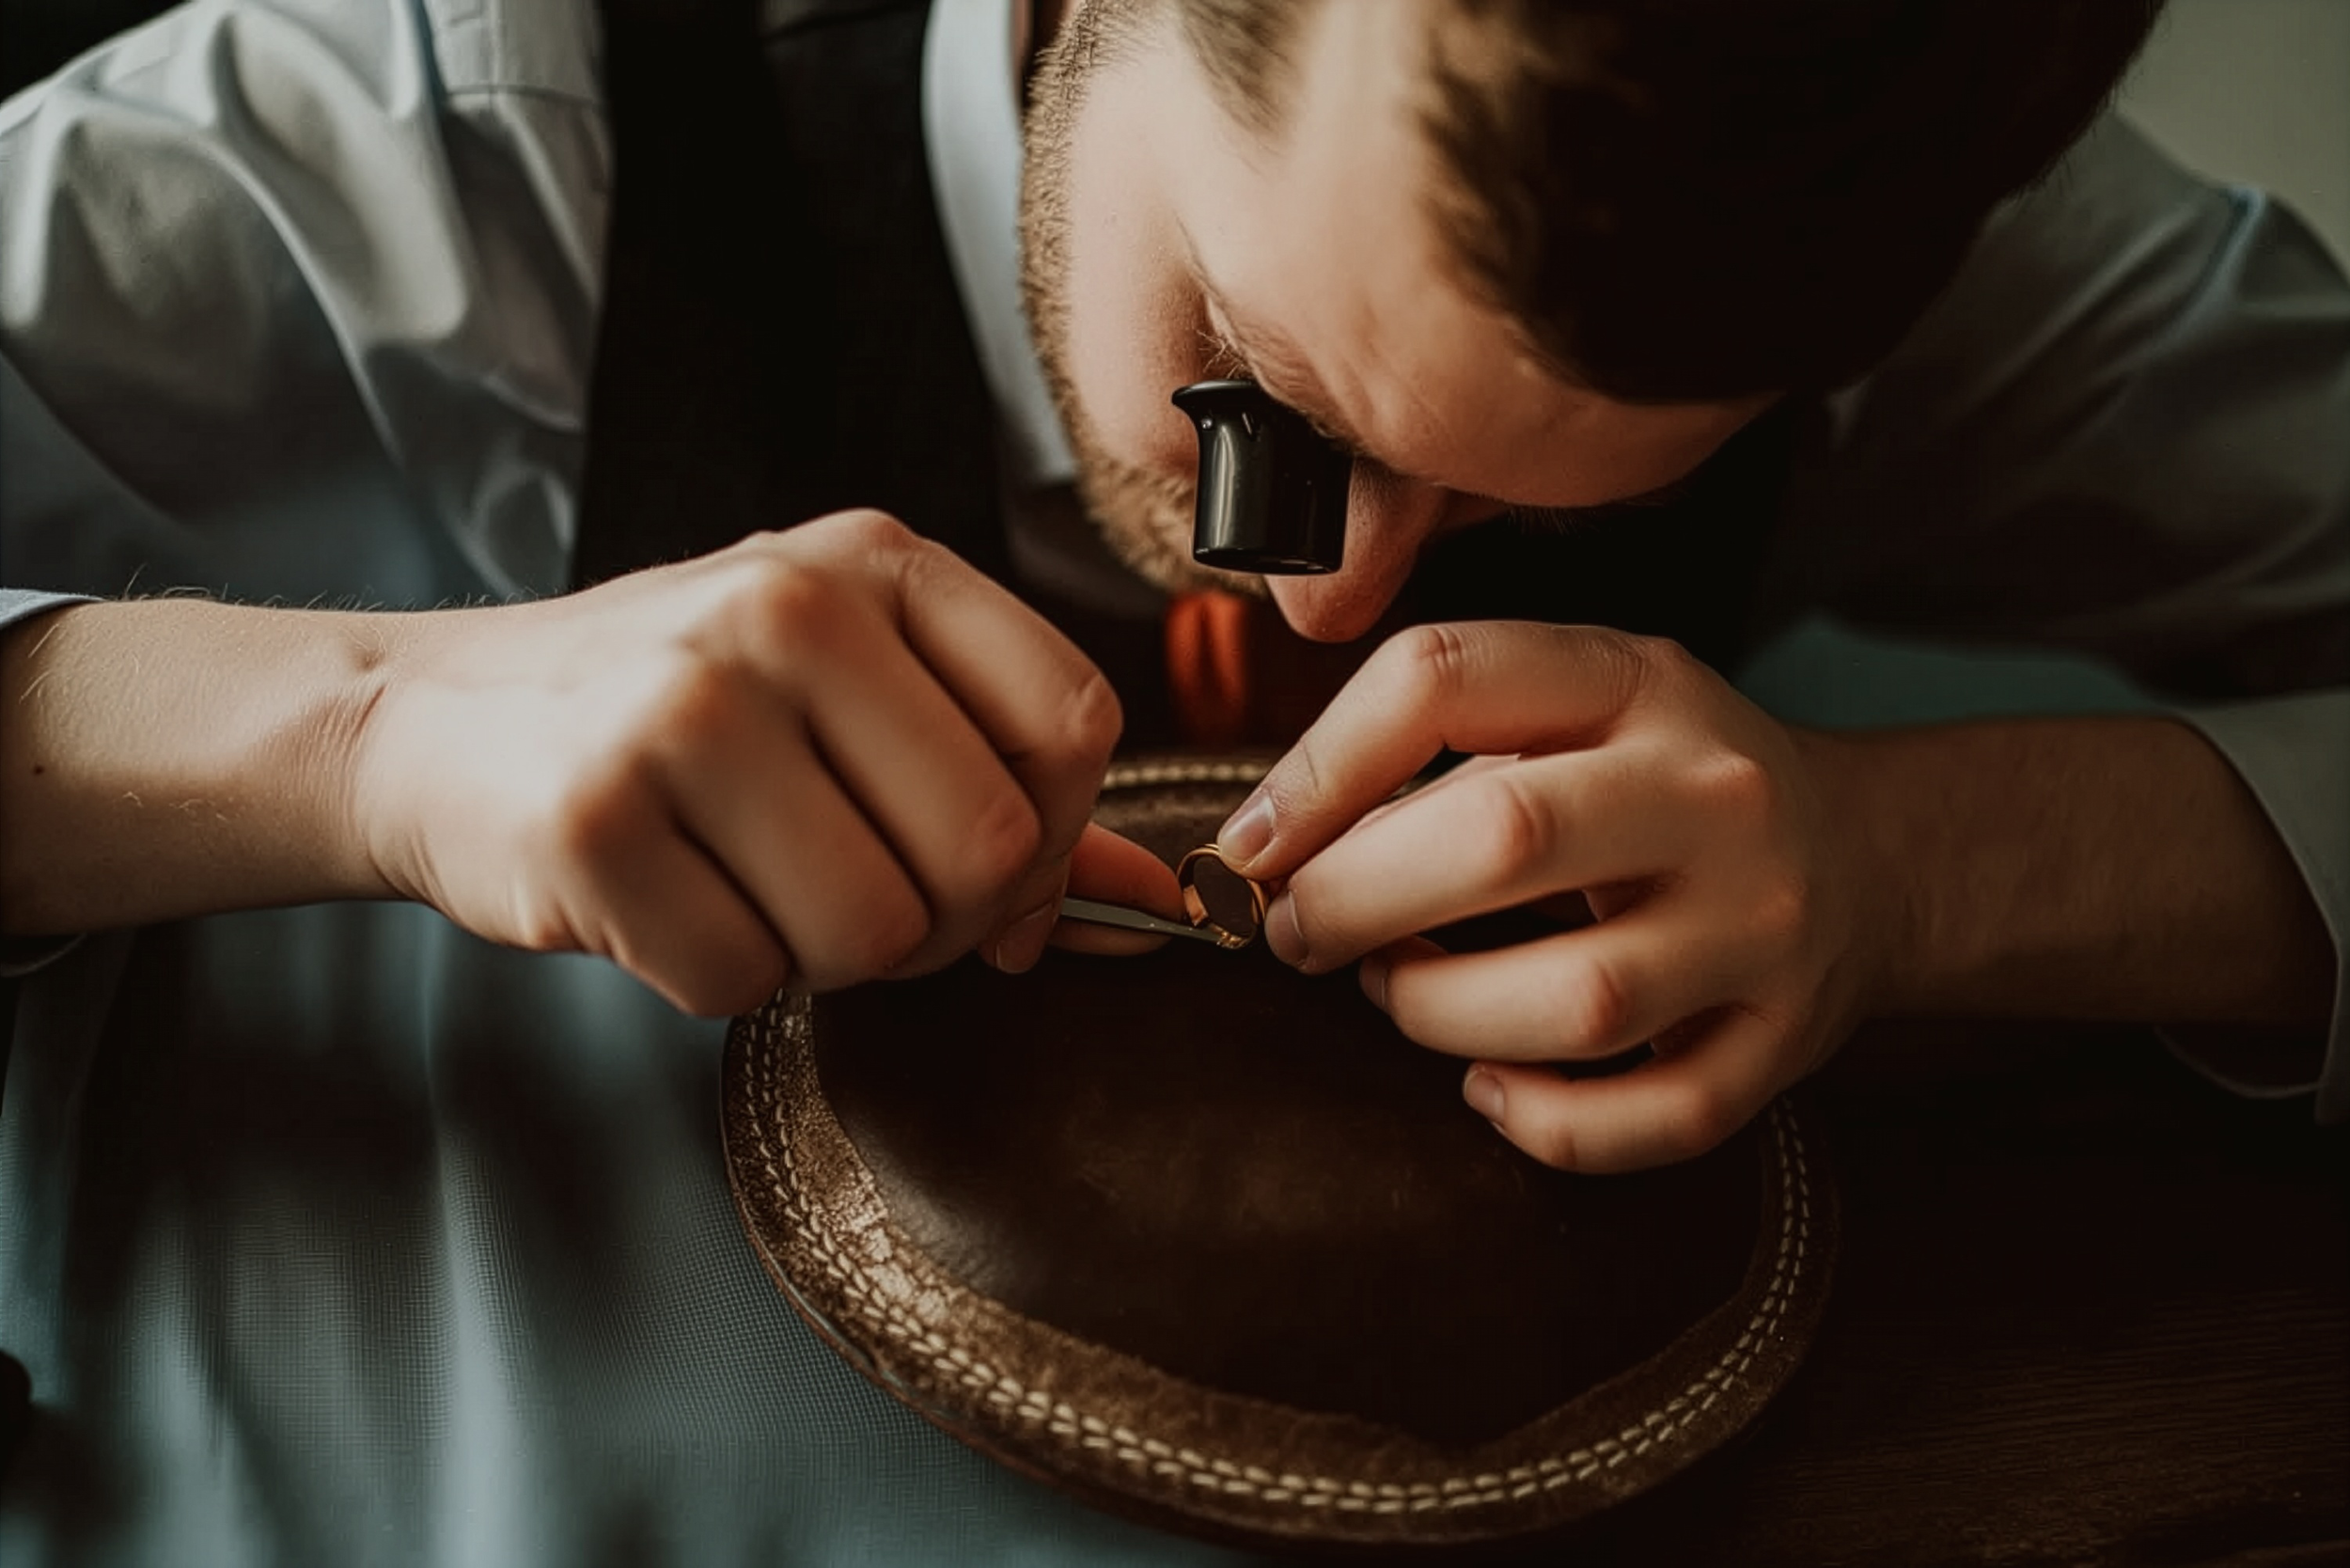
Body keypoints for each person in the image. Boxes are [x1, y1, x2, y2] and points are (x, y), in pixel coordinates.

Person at [0, 0, 2341, 1560]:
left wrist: (1913, 867)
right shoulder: (417, 154)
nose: (1329, 611)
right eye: (1260, 404)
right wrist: (372, 733)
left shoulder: (1888, 188)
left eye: (1532, 515)